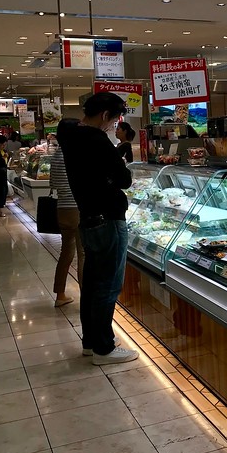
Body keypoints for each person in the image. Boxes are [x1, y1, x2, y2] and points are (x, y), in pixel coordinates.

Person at [58, 93, 137, 365]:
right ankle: (104, 348)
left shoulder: (70, 138)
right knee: (108, 286)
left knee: (92, 284)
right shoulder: (97, 140)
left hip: (88, 218)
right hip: (109, 219)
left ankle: (91, 343)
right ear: (105, 116)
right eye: (114, 120)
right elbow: (124, 179)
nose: (113, 126)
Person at [50, 123, 84, 308]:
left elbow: (53, 183)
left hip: (62, 209)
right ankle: (87, 297)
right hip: (77, 208)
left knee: (66, 253)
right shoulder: (75, 155)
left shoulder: (56, 156)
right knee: (83, 254)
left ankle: (60, 294)